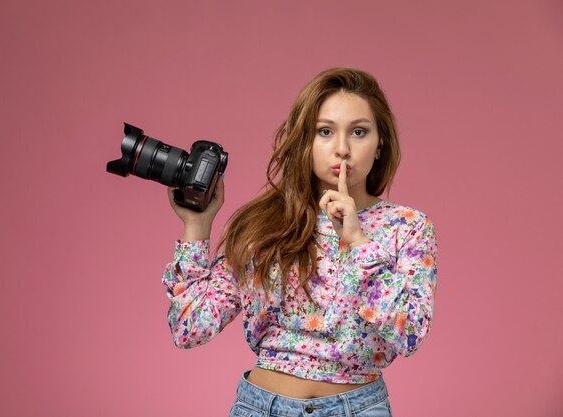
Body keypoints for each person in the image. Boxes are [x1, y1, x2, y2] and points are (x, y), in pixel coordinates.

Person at [162, 67, 438, 417]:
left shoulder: (407, 228)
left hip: (357, 409)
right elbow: (191, 329)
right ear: (305, 141)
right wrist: (197, 226)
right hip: (262, 407)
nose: (342, 149)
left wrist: (357, 240)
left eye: (359, 132)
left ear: (380, 143)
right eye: (325, 131)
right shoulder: (266, 224)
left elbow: (410, 334)